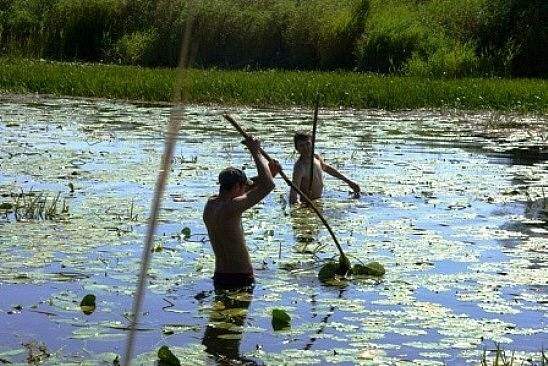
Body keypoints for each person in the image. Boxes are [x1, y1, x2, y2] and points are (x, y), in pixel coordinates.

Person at [203, 135, 280, 289]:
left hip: (219, 276)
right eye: (243, 187)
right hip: (240, 278)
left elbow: (254, 185)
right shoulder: (233, 207)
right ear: (238, 186)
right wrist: (255, 151)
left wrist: (269, 173)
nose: (245, 189)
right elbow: (268, 186)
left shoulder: (211, 204)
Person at [289, 131, 360, 204]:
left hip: (318, 200)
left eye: (308, 144)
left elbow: (327, 168)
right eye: (301, 145)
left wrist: (349, 182)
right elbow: (294, 191)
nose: (305, 148)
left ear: (312, 144)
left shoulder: (316, 157)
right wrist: (297, 206)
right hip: (308, 203)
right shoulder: (300, 167)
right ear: (297, 148)